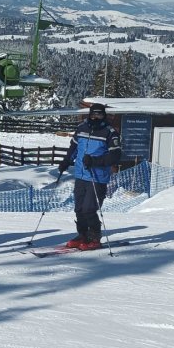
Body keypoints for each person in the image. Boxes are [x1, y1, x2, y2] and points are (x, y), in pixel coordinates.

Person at [57, 102, 122, 250]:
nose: (96, 117)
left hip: (97, 177)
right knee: (79, 209)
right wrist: (66, 161)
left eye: (99, 114)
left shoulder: (109, 132)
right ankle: (82, 235)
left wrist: (95, 161)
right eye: (93, 114)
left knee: (89, 209)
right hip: (80, 175)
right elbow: (74, 148)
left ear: (104, 115)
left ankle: (95, 236)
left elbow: (115, 156)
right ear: (89, 114)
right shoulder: (82, 128)